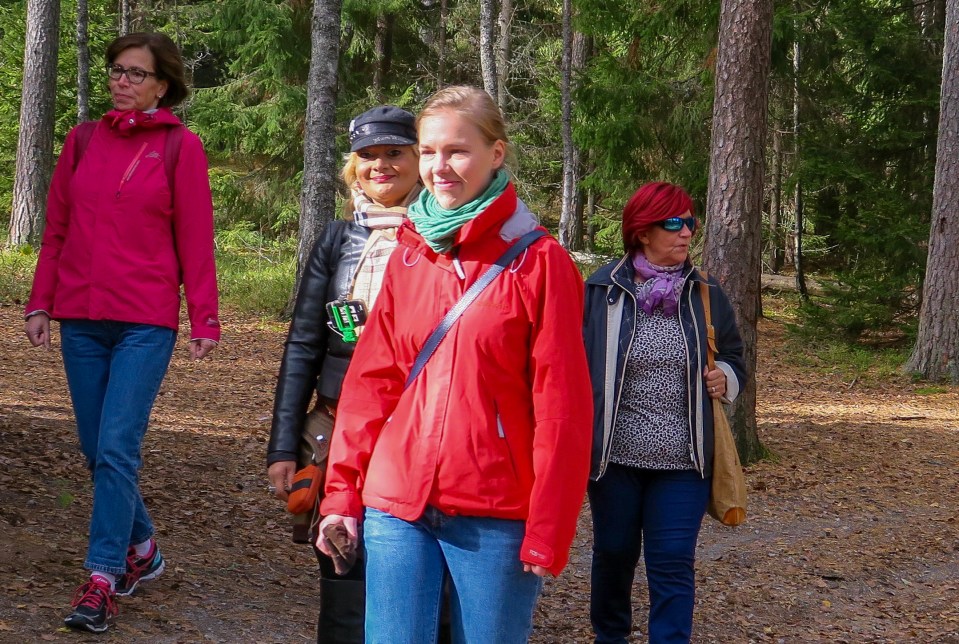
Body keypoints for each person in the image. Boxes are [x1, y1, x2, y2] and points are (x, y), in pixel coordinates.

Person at [317, 85, 593, 643]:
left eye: (457, 151)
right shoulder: (412, 253)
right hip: (397, 502)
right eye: (428, 151)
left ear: (496, 153)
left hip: (495, 512)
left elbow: (562, 408)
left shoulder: (542, 263)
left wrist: (549, 525)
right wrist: (341, 492)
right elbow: (371, 384)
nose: (438, 167)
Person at [23, 32, 219, 633]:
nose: (122, 80)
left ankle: (103, 577)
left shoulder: (180, 147)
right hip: (81, 318)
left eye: (136, 73)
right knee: (95, 449)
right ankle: (144, 548)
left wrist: (204, 315)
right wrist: (40, 301)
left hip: (144, 321)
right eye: (116, 70)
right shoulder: (82, 140)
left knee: (116, 447)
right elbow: (56, 228)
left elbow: (195, 236)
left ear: (163, 85)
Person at [267, 105, 424, 643]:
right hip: (337, 431)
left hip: (420, 428)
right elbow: (303, 346)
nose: (381, 165)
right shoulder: (337, 241)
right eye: (368, 156)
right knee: (343, 573)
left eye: (394, 153)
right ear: (353, 166)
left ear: (420, 160)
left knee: (427, 586)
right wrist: (283, 446)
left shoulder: (448, 239)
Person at [582, 182, 747, 644]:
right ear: (642, 231)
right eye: (673, 223)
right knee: (614, 553)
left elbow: (734, 355)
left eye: (690, 222)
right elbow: (573, 363)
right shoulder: (602, 290)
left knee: (672, 560)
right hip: (614, 461)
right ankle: (609, 637)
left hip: (685, 461)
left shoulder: (705, 291)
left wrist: (726, 377)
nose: (686, 232)